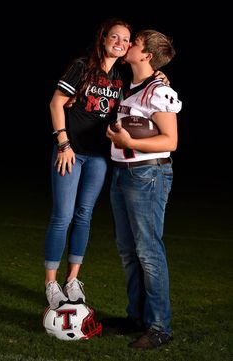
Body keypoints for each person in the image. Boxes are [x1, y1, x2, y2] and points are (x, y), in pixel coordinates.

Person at [45, 18, 169, 311]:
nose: (121, 43)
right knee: (63, 216)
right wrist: (63, 143)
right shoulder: (81, 66)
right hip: (71, 153)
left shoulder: (122, 77)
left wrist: (160, 78)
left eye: (126, 40)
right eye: (115, 37)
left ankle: (72, 280)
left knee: (85, 215)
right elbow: (55, 103)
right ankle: (51, 283)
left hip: (99, 157)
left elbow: (145, 84)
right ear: (103, 39)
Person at [106, 29, 182, 349]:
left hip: (147, 176)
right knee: (129, 252)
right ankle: (135, 317)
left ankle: (159, 327)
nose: (128, 45)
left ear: (147, 55)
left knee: (149, 252)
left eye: (134, 43)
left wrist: (129, 142)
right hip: (122, 175)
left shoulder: (159, 90)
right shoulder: (132, 86)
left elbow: (170, 141)